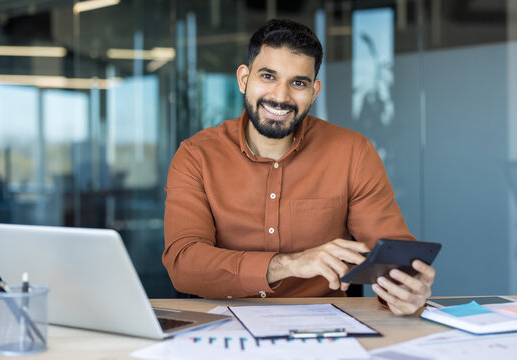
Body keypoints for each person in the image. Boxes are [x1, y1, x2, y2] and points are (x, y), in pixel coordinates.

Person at [163, 19, 435, 316]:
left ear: (314, 91)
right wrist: (290, 263)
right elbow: (184, 264)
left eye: (298, 83)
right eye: (268, 76)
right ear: (243, 79)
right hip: (220, 322)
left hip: (326, 326)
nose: (281, 97)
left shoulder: (352, 152)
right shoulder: (196, 155)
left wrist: (407, 290)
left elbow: (393, 255)